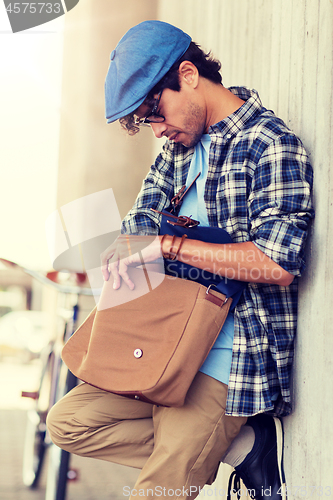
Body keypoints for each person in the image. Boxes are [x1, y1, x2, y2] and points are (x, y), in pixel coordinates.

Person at [46, 20, 314, 500]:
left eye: (155, 111)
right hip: (161, 341)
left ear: (188, 74)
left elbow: (276, 264)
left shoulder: (270, 145)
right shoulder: (177, 150)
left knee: (155, 494)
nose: (158, 129)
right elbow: (142, 217)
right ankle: (239, 447)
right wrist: (125, 249)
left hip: (229, 360)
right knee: (68, 422)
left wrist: (169, 247)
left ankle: (202, 436)